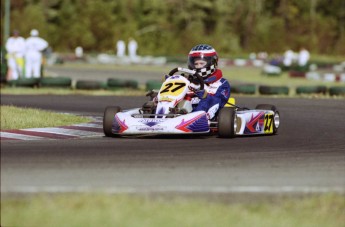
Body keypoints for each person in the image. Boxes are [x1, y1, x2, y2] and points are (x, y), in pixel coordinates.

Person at [187, 44, 231, 120]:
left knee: (206, 100)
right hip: (186, 110)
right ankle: (163, 115)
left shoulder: (221, 84)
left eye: (201, 63)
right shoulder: (189, 81)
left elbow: (219, 102)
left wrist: (206, 96)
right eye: (196, 64)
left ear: (212, 63)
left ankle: (194, 119)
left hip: (209, 112)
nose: (198, 67)